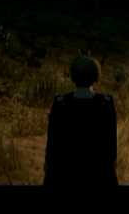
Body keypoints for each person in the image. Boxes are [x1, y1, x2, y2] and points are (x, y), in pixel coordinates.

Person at [43, 53, 118, 187]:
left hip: (65, 171)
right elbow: (110, 145)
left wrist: (49, 166)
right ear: (96, 76)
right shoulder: (105, 103)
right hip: (97, 171)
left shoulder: (60, 103)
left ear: (73, 76)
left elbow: (53, 142)